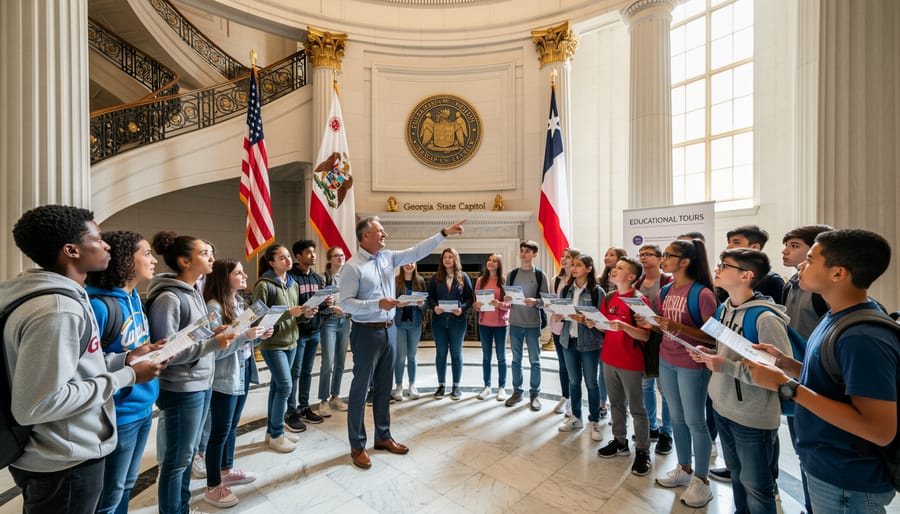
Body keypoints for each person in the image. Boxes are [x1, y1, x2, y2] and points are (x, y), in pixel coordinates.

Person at [2, 205, 162, 514]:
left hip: (66, 448)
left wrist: (126, 359)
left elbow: (76, 366)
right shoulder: (57, 310)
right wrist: (127, 376)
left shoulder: (66, 298)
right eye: (99, 238)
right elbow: (36, 404)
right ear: (71, 250)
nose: (106, 246)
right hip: (62, 457)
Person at [747, 229, 898, 514]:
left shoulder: (863, 336)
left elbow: (879, 430)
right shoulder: (836, 316)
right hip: (826, 464)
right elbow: (837, 383)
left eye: (812, 259)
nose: (802, 264)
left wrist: (786, 386)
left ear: (838, 273)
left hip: (847, 478)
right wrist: (786, 364)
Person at [340, 217, 466, 470]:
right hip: (366, 332)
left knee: (385, 388)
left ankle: (383, 437)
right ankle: (357, 445)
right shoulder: (352, 267)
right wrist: (376, 304)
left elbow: (417, 250)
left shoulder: (388, 257)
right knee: (361, 389)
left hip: (390, 330)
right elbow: (345, 304)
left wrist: (443, 233)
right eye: (379, 231)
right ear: (366, 237)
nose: (384, 233)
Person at [692, 248, 792, 514]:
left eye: (725, 265)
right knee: (736, 474)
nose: (717, 269)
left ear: (747, 275)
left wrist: (726, 366)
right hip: (723, 406)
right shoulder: (726, 308)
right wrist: (711, 354)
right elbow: (728, 353)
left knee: (757, 485)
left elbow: (779, 377)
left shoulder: (765, 318)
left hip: (752, 414)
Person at [145, 232, 236, 514]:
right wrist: (212, 343)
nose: (211, 257)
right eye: (203, 253)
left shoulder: (194, 290)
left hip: (199, 381)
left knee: (185, 456)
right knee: (177, 461)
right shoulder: (169, 298)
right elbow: (166, 351)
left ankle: (181, 508)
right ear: (185, 261)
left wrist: (213, 332)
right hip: (182, 387)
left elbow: (190, 335)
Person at [85, 231, 160, 514]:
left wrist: (151, 351)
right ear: (126, 260)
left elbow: (130, 348)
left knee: (127, 484)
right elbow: (86, 366)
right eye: (147, 254)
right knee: (109, 494)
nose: (153, 260)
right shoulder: (98, 306)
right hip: (118, 411)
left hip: (142, 404)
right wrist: (128, 362)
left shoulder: (135, 299)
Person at [640, 238, 718, 508]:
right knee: (676, 417)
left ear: (685, 261)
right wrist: (651, 321)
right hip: (667, 358)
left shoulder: (703, 294)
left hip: (691, 363)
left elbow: (713, 338)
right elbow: (666, 326)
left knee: (696, 420)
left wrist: (678, 326)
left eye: (670, 255)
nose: (665, 258)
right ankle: (684, 468)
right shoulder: (666, 290)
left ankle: (702, 480)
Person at [202, 259, 273, 508]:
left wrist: (258, 336)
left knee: (232, 426)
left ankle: (226, 469)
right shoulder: (214, 307)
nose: (245, 276)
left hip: (240, 370)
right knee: (219, 431)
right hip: (223, 377)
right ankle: (212, 486)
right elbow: (215, 351)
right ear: (224, 277)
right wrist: (245, 335)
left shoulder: (240, 303)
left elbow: (243, 344)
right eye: (238, 272)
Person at [779, 223, 833, 514]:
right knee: (803, 449)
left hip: (821, 382)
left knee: (818, 452)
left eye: (796, 246)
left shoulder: (822, 296)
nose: (786, 251)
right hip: (799, 375)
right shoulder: (791, 284)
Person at [592, 256, 653, 477]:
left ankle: (643, 451)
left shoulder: (640, 301)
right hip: (609, 358)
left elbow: (645, 335)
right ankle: (620, 441)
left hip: (631, 361)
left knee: (637, 409)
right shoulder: (609, 297)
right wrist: (594, 323)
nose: (614, 270)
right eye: (615, 267)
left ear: (632, 276)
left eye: (620, 268)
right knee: (615, 403)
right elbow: (606, 328)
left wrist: (624, 326)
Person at [252, 244, 311, 451]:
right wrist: (289, 313)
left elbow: (294, 317)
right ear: (271, 262)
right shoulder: (264, 285)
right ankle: (278, 433)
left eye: (288, 257)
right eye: (282, 258)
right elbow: (258, 317)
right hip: (273, 344)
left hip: (291, 341)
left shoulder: (292, 283)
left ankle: (272, 431)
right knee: (286, 386)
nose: (288, 261)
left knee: (278, 387)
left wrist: (304, 315)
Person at [554, 254, 605, 439]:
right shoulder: (566, 289)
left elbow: (602, 321)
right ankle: (576, 417)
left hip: (590, 343)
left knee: (591, 383)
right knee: (574, 381)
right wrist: (558, 315)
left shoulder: (597, 291)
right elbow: (560, 312)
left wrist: (587, 320)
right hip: (569, 340)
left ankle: (594, 421)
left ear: (589, 269)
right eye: (573, 265)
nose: (574, 268)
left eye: (579, 265)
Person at [634, 244, 674, 456]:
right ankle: (652, 427)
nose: (643, 257)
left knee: (665, 389)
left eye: (648, 254)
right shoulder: (637, 282)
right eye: (641, 254)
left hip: (664, 338)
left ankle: (667, 431)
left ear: (660, 258)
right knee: (645, 386)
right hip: (644, 339)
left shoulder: (668, 281)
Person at [504, 240, 551, 411]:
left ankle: (535, 394)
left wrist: (536, 301)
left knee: (535, 360)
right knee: (516, 360)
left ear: (534, 254)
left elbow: (546, 300)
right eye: (522, 250)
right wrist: (507, 299)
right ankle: (517, 391)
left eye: (527, 251)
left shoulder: (540, 275)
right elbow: (506, 296)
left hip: (532, 324)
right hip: (515, 322)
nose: (523, 254)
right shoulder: (512, 274)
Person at [286, 240, 326, 428]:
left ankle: (304, 407)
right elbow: (291, 305)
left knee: (307, 372)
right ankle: (291, 410)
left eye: (313, 252)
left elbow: (320, 304)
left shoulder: (317, 278)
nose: (313, 255)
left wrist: (327, 301)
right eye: (308, 252)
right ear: (298, 256)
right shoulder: (290, 277)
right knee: (295, 372)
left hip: (315, 330)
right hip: (298, 331)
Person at [428, 247, 474, 400]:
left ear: (455, 259)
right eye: (445, 257)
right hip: (439, 322)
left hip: (457, 321)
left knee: (456, 353)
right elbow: (430, 297)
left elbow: (469, 299)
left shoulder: (463, 277)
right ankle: (441, 385)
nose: (447, 259)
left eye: (450, 257)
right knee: (441, 353)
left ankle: (456, 386)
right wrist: (434, 307)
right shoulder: (435, 277)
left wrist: (462, 308)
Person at [473, 253, 511, 401]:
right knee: (486, 356)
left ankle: (502, 387)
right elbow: (475, 303)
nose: (491, 263)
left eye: (495, 261)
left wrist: (499, 304)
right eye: (489, 260)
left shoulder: (504, 281)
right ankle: (487, 386)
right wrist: (477, 305)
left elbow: (509, 305)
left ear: (499, 264)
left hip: (500, 324)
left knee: (501, 357)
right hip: (484, 324)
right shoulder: (480, 281)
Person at [319, 246, 351, 414]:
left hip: (345, 321)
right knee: (328, 362)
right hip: (329, 322)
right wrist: (331, 308)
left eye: (342, 255)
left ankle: (335, 396)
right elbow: (318, 303)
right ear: (330, 259)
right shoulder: (323, 278)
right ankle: (323, 400)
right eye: (336, 256)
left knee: (341, 361)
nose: (340, 258)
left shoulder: (348, 277)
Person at [548, 248, 579, 415]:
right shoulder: (555, 279)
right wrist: (549, 307)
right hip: (557, 327)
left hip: (572, 328)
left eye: (568, 257)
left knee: (572, 365)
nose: (564, 259)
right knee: (562, 364)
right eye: (563, 256)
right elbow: (551, 301)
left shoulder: (579, 280)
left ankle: (574, 399)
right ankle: (565, 396)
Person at [393, 262, 427, 401]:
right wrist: (397, 304)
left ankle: (412, 385)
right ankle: (399, 386)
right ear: (401, 265)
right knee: (400, 356)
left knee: (412, 355)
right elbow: (389, 302)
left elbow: (426, 305)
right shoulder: (395, 281)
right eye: (406, 262)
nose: (409, 265)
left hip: (415, 323)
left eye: (412, 262)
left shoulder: (420, 281)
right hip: (399, 323)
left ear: (415, 265)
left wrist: (422, 305)